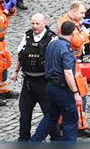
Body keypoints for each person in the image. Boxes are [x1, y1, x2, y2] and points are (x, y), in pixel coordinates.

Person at [11, 14, 61, 142]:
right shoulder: (27, 36)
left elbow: (58, 60)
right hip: (28, 82)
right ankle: (23, 139)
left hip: (44, 82)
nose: (34, 26)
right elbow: (21, 56)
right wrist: (16, 71)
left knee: (49, 113)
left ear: (44, 23)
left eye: (37, 24)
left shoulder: (52, 39)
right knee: (24, 112)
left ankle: (56, 139)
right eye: (32, 23)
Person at [30, 21, 82, 142]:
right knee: (70, 121)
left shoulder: (52, 44)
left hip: (50, 87)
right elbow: (68, 73)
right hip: (63, 89)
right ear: (73, 32)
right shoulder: (67, 49)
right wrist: (75, 93)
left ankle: (33, 142)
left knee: (50, 117)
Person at [57, 0, 90, 137]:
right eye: (82, 13)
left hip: (71, 63)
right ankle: (80, 126)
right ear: (73, 11)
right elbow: (77, 42)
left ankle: (62, 123)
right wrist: (86, 33)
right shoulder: (68, 24)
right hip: (72, 64)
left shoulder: (67, 21)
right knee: (80, 94)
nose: (84, 16)